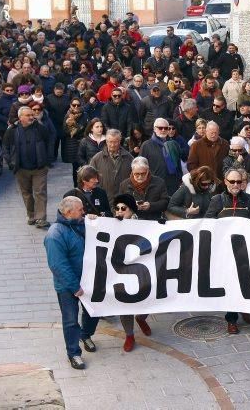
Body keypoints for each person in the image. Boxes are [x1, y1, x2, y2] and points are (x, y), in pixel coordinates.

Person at [44, 196, 99, 370]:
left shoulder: (81, 223)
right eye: (81, 210)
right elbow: (58, 265)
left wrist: (94, 221)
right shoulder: (55, 234)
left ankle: (86, 335)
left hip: (88, 279)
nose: (84, 212)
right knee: (70, 320)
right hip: (68, 286)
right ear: (68, 213)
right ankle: (74, 353)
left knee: (93, 312)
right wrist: (75, 287)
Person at [205, 168, 250, 334]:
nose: (235, 184)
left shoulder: (249, 199)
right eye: (232, 181)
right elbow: (208, 222)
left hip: (245, 249)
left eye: (239, 182)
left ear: (243, 183)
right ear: (225, 182)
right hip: (225, 251)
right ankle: (232, 319)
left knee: (246, 281)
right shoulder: (216, 200)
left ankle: (245, 307)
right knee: (231, 284)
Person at [110, 193, 153, 352]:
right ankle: (129, 335)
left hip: (142, 270)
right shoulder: (110, 224)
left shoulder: (143, 224)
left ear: (132, 210)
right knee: (124, 303)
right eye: (117, 208)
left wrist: (162, 226)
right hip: (121, 271)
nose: (119, 212)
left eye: (123, 208)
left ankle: (141, 318)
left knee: (151, 299)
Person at [3, 106, 56, 228]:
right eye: (28, 115)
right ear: (20, 117)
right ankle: (31, 215)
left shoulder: (40, 127)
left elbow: (49, 141)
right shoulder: (12, 130)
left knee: (40, 192)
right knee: (26, 193)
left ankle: (41, 218)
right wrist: (10, 163)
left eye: (32, 115)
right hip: (21, 169)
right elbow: (5, 146)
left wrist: (48, 159)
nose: (31, 117)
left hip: (39, 168)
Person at [118, 156, 170, 221]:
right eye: (137, 174)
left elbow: (165, 203)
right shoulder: (124, 185)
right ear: (132, 171)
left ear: (148, 171)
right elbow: (118, 204)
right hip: (131, 222)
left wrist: (151, 206)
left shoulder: (159, 182)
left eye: (143, 174)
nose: (140, 177)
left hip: (154, 221)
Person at [140, 117, 184, 194]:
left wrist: (180, 180)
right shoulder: (146, 145)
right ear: (154, 129)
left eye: (166, 128)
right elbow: (141, 166)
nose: (163, 130)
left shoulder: (173, 144)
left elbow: (178, 164)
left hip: (172, 184)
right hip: (154, 185)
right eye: (160, 128)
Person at [89, 129, 134, 202]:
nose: (112, 145)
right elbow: (90, 178)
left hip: (124, 200)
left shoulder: (129, 158)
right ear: (106, 142)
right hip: (104, 199)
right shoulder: (96, 159)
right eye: (110, 142)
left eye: (115, 142)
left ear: (119, 141)